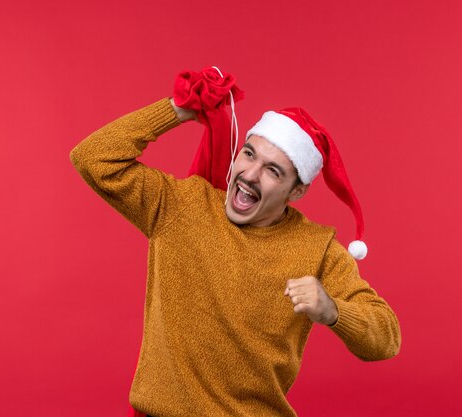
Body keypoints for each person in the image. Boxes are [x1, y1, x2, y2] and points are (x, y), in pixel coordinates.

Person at [70, 86, 401, 416]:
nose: (250, 175)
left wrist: (333, 311)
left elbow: (386, 337)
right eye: (249, 154)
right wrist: (178, 110)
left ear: (297, 190)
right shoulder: (181, 206)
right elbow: (93, 158)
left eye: (273, 170)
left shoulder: (318, 249)